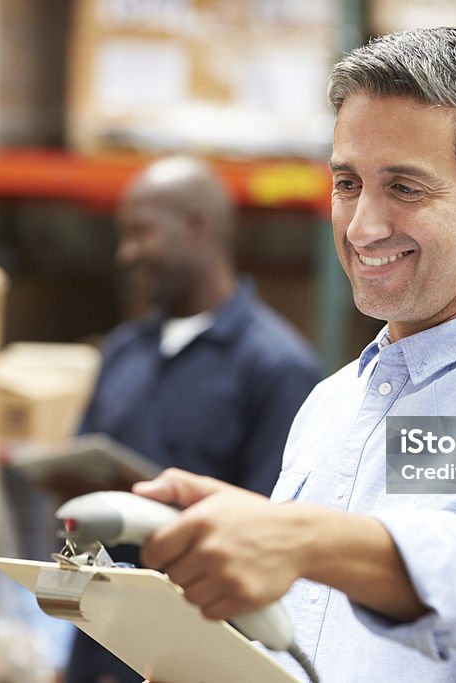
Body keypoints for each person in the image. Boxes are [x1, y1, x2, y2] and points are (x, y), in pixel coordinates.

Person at [129, 28, 456, 682]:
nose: (361, 226)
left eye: (405, 188)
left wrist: (302, 540)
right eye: (348, 183)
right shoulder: (330, 407)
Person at [65, 156, 322, 683]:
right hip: (96, 641)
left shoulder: (277, 367)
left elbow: (272, 526)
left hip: (194, 648)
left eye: (140, 233)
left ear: (197, 227)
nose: (127, 253)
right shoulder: (123, 349)